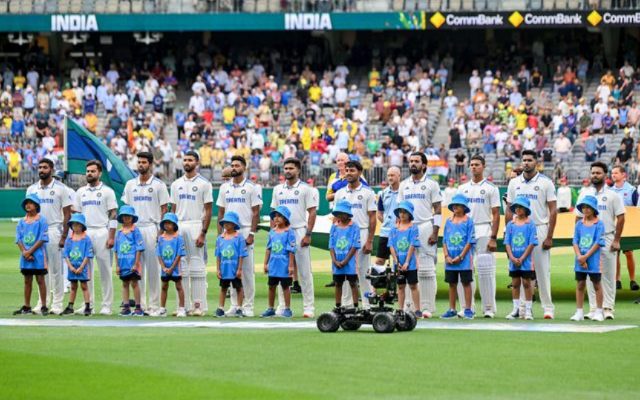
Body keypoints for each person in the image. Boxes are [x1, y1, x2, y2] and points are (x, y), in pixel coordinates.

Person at [506, 150, 557, 319]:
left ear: (537, 162)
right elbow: (509, 208)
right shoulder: (514, 183)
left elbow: (553, 210)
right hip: (518, 229)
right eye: (524, 160)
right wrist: (508, 230)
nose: (526, 163)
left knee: (542, 271)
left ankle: (547, 308)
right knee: (520, 271)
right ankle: (521, 309)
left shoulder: (546, 182)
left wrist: (549, 236)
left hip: (539, 227)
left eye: (529, 160)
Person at [122, 152, 170, 314]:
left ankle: (154, 305)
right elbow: (126, 209)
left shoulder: (158, 185)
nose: (140, 165)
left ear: (150, 164)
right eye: (139, 162)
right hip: (134, 229)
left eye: (144, 162)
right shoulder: (130, 185)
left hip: (151, 227)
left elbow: (165, 209)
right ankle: (139, 305)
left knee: (153, 268)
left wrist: (161, 231)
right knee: (136, 268)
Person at [576, 162, 625, 320]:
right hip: (587, 240)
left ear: (605, 175)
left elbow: (621, 217)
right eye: (593, 173)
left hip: (607, 237)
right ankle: (593, 308)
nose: (595, 175)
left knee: (608, 274)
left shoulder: (612, 195)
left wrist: (617, 240)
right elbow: (577, 217)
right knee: (590, 274)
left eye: (598, 173)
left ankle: (608, 307)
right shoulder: (585, 194)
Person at [270, 158, 318, 318]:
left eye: (291, 168)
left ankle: (309, 307)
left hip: (299, 230)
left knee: (304, 271)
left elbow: (312, 212)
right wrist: (274, 231)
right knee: (281, 270)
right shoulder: (277, 189)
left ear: (298, 170)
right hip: (281, 233)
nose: (288, 171)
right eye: (286, 168)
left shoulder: (306, 189)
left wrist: (308, 234)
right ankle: (283, 306)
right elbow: (274, 212)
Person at [216, 155, 262, 317]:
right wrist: (219, 235)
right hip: (227, 232)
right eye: (232, 165)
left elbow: (256, 212)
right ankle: (235, 305)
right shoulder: (224, 188)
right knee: (230, 270)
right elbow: (221, 212)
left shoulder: (251, 187)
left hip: (244, 230)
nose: (234, 168)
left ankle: (248, 306)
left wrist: (251, 233)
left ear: (244, 168)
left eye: (237, 165)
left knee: (246, 271)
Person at [398, 152, 442, 318]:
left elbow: (437, 208)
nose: (413, 164)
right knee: (407, 267)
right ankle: (409, 306)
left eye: (416, 161)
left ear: (424, 165)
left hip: (425, 226)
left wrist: (435, 231)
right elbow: (400, 210)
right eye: (411, 161)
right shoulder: (403, 185)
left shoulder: (432, 184)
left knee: (426, 269)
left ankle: (427, 307)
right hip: (408, 228)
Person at [169, 150, 213, 316]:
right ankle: (183, 306)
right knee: (181, 267)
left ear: (197, 163)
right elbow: (173, 209)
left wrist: (203, 232)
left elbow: (208, 210)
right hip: (179, 226)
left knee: (197, 266)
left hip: (196, 224)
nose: (186, 162)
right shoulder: (175, 184)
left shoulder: (204, 183)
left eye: (190, 160)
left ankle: (199, 306)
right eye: (185, 159)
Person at [457, 155, 500, 318]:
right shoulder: (462, 189)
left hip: (483, 228)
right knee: (465, 269)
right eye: (471, 164)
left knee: (485, 269)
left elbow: (496, 214)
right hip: (465, 229)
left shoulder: (491, 188)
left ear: (483, 166)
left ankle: (489, 308)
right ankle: (467, 307)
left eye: (477, 164)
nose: (474, 167)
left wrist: (493, 237)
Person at [26, 158, 72, 315]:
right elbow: (28, 215)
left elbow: (67, 214)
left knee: (56, 270)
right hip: (37, 232)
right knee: (40, 270)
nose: (41, 170)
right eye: (39, 167)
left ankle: (57, 304)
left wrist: (64, 236)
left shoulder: (61, 189)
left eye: (45, 167)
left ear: (51, 169)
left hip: (54, 230)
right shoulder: (32, 189)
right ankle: (42, 303)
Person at [74, 160, 117, 315]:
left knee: (105, 270)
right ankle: (88, 304)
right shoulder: (80, 192)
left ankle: (107, 305)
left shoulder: (107, 191)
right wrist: (76, 235)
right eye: (88, 171)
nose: (89, 174)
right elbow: (77, 215)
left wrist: (111, 236)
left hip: (102, 232)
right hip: (85, 233)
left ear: (99, 173)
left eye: (93, 171)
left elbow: (113, 214)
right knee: (86, 271)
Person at [334, 160, 377, 309]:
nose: (348, 173)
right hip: (343, 236)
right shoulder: (339, 193)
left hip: (362, 232)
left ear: (359, 172)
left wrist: (370, 240)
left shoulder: (368, 193)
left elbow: (372, 217)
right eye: (346, 170)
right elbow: (336, 217)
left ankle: (367, 303)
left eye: (352, 171)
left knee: (363, 270)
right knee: (345, 269)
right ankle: (347, 304)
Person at [571, 195, 606, 322]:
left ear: (593, 209)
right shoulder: (579, 224)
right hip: (579, 259)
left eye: (588, 207)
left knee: (596, 284)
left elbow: (598, 242)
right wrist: (580, 256)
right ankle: (579, 311)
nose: (585, 210)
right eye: (583, 207)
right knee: (580, 284)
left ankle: (599, 311)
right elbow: (575, 240)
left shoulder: (599, 224)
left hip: (594, 260)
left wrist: (586, 256)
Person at [441, 194, 476, 319]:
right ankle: (452, 309)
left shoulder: (469, 221)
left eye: (458, 205)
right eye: (454, 205)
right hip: (450, 259)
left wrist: (461, 257)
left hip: (464, 260)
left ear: (464, 207)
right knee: (452, 284)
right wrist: (446, 256)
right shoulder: (448, 221)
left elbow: (470, 241)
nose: (455, 207)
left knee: (466, 283)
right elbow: (444, 240)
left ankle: (468, 309)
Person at [13, 194, 49, 315]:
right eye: (26, 203)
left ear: (36, 205)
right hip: (25, 257)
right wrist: (24, 252)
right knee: (27, 280)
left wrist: (30, 251)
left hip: (38, 255)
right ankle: (27, 306)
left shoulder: (42, 220)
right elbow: (18, 238)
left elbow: (42, 238)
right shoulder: (21, 222)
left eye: (31, 203)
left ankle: (44, 306)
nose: (28, 205)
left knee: (40, 280)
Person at [504, 196, 538, 320]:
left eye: (521, 207)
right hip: (513, 260)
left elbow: (532, 243)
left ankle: (528, 310)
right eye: (516, 207)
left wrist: (522, 258)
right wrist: (512, 257)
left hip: (526, 260)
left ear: (526, 209)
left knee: (526, 283)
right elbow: (507, 242)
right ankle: (515, 309)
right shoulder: (510, 224)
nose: (518, 209)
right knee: (515, 283)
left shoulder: (530, 224)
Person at [388, 201, 422, 317]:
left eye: (405, 212)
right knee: (400, 286)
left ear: (409, 214)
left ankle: (417, 310)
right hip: (398, 263)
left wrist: (407, 262)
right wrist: (397, 262)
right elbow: (391, 246)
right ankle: (400, 310)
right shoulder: (394, 229)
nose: (402, 214)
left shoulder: (413, 228)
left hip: (410, 263)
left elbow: (412, 245)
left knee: (413, 285)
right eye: (400, 212)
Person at [261, 206, 296, 318]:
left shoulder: (289, 232)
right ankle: (270, 308)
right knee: (271, 286)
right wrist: (265, 263)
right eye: (275, 216)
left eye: (279, 216)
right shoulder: (272, 232)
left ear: (285, 219)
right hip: (273, 265)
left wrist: (291, 265)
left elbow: (291, 250)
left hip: (284, 265)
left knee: (285, 287)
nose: (276, 218)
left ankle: (287, 308)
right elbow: (268, 249)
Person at [609, 166, 639, 291]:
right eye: (612, 173)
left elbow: (636, 208)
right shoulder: (609, 191)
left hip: (628, 226)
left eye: (616, 173)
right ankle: (617, 280)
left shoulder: (632, 190)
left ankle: (632, 280)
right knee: (615, 254)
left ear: (623, 175)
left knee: (629, 253)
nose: (613, 175)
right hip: (613, 227)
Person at [329, 200, 361, 310]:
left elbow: (354, 245)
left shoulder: (354, 227)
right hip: (337, 261)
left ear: (348, 214)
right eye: (338, 213)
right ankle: (338, 306)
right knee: (338, 284)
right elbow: (331, 245)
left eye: (342, 213)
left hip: (350, 261)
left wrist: (345, 261)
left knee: (353, 283)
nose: (340, 215)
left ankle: (356, 306)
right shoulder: (334, 227)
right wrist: (334, 260)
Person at [214, 211, 247, 318]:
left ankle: (239, 308)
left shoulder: (239, 238)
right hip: (224, 269)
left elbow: (241, 255)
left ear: (234, 224)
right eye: (225, 223)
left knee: (238, 288)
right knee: (223, 288)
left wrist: (239, 269)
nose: (226, 225)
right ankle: (221, 308)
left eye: (229, 222)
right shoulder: (220, 238)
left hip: (234, 268)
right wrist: (218, 269)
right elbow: (218, 255)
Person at [114, 205, 145, 317]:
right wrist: (117, 265)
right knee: (124, 283)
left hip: (132, 263)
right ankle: (126, 307)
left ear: (132, 217)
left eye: (128, 216)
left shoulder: (135, 231)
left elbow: (139, 248)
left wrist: (136, 263)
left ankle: (138, 307)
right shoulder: (119, 232)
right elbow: (116, 250)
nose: (126, 218)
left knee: (134, 283)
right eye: (124, 216)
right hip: (122, 264)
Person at [61, 213, 93, 316]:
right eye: (73, 225)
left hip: (82, 268)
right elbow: (65, 254)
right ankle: (70, 306)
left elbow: (88, 254)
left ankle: (87, 307)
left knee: (84, 286)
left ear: (82, 226)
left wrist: (81, 267)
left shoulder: (86, 239)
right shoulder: (69, 239)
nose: (75, 227)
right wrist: (70, 266)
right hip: (72, 268)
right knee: (73, 287)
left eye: (78, 224)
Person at [156, 213, 187, 318]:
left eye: (169, 223)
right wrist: (164, 267)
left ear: (174, 225)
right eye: (165, 223)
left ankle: (182, 308)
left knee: (179, 286)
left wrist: (172, 267)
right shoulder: (160, 238)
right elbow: (159, 254)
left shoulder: (178, 238)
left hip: (175, 268)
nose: (167, 225)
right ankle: (162, 309)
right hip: (164, 268)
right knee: (164, 286)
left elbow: (179, 254)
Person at [375, 166, 400, 266]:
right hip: (385, 232)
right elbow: (379, 213)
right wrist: (386, 222)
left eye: (392, 175)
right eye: (388, 175)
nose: (390, 178)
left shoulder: (404, 192)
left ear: (399, 175)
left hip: (400, 232)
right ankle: (380, 282)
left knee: (398, 261)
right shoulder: (383, 193)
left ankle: (399, 282)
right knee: (379, 261)